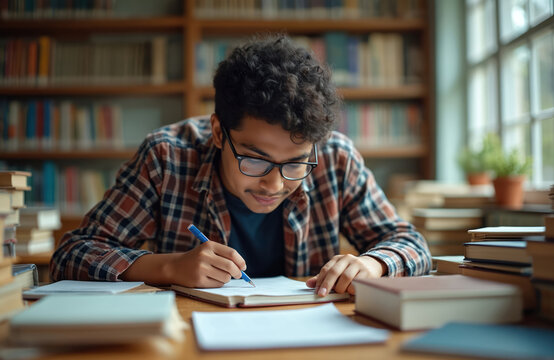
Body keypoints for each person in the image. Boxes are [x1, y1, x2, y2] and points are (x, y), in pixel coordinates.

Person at [50, 34, 431, 296]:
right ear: (218, 132)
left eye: (295, 163)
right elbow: (71, 255)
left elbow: (412, 245)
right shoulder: (166, 157)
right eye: (255, 159)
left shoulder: (336, 159)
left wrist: (373, 265)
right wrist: (167, 268)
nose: (274, 184)